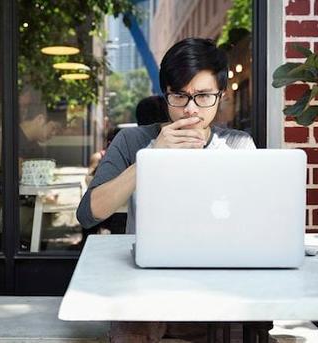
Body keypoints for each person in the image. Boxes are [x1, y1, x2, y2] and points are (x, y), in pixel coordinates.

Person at [75, 38, 256, 342]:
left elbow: (256, 225)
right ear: (165, 95)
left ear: (221, 95)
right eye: (180, 97)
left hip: (219, 283)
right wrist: (150, 157)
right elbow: (88, 214)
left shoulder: (238, 145)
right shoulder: (132, 142)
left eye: (203, 97)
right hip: (145, 285)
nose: (190, 110)